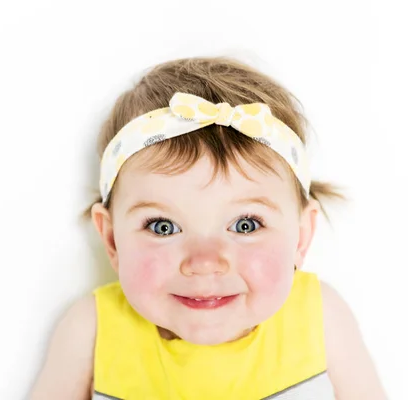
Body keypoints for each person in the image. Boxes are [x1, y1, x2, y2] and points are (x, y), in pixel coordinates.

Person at [29, 56, 387, 399]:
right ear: (111, 239)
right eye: (163, 227)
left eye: (246, 225)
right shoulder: (90, 330)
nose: (204, 261)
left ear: (301, 236)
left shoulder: (320, 318)